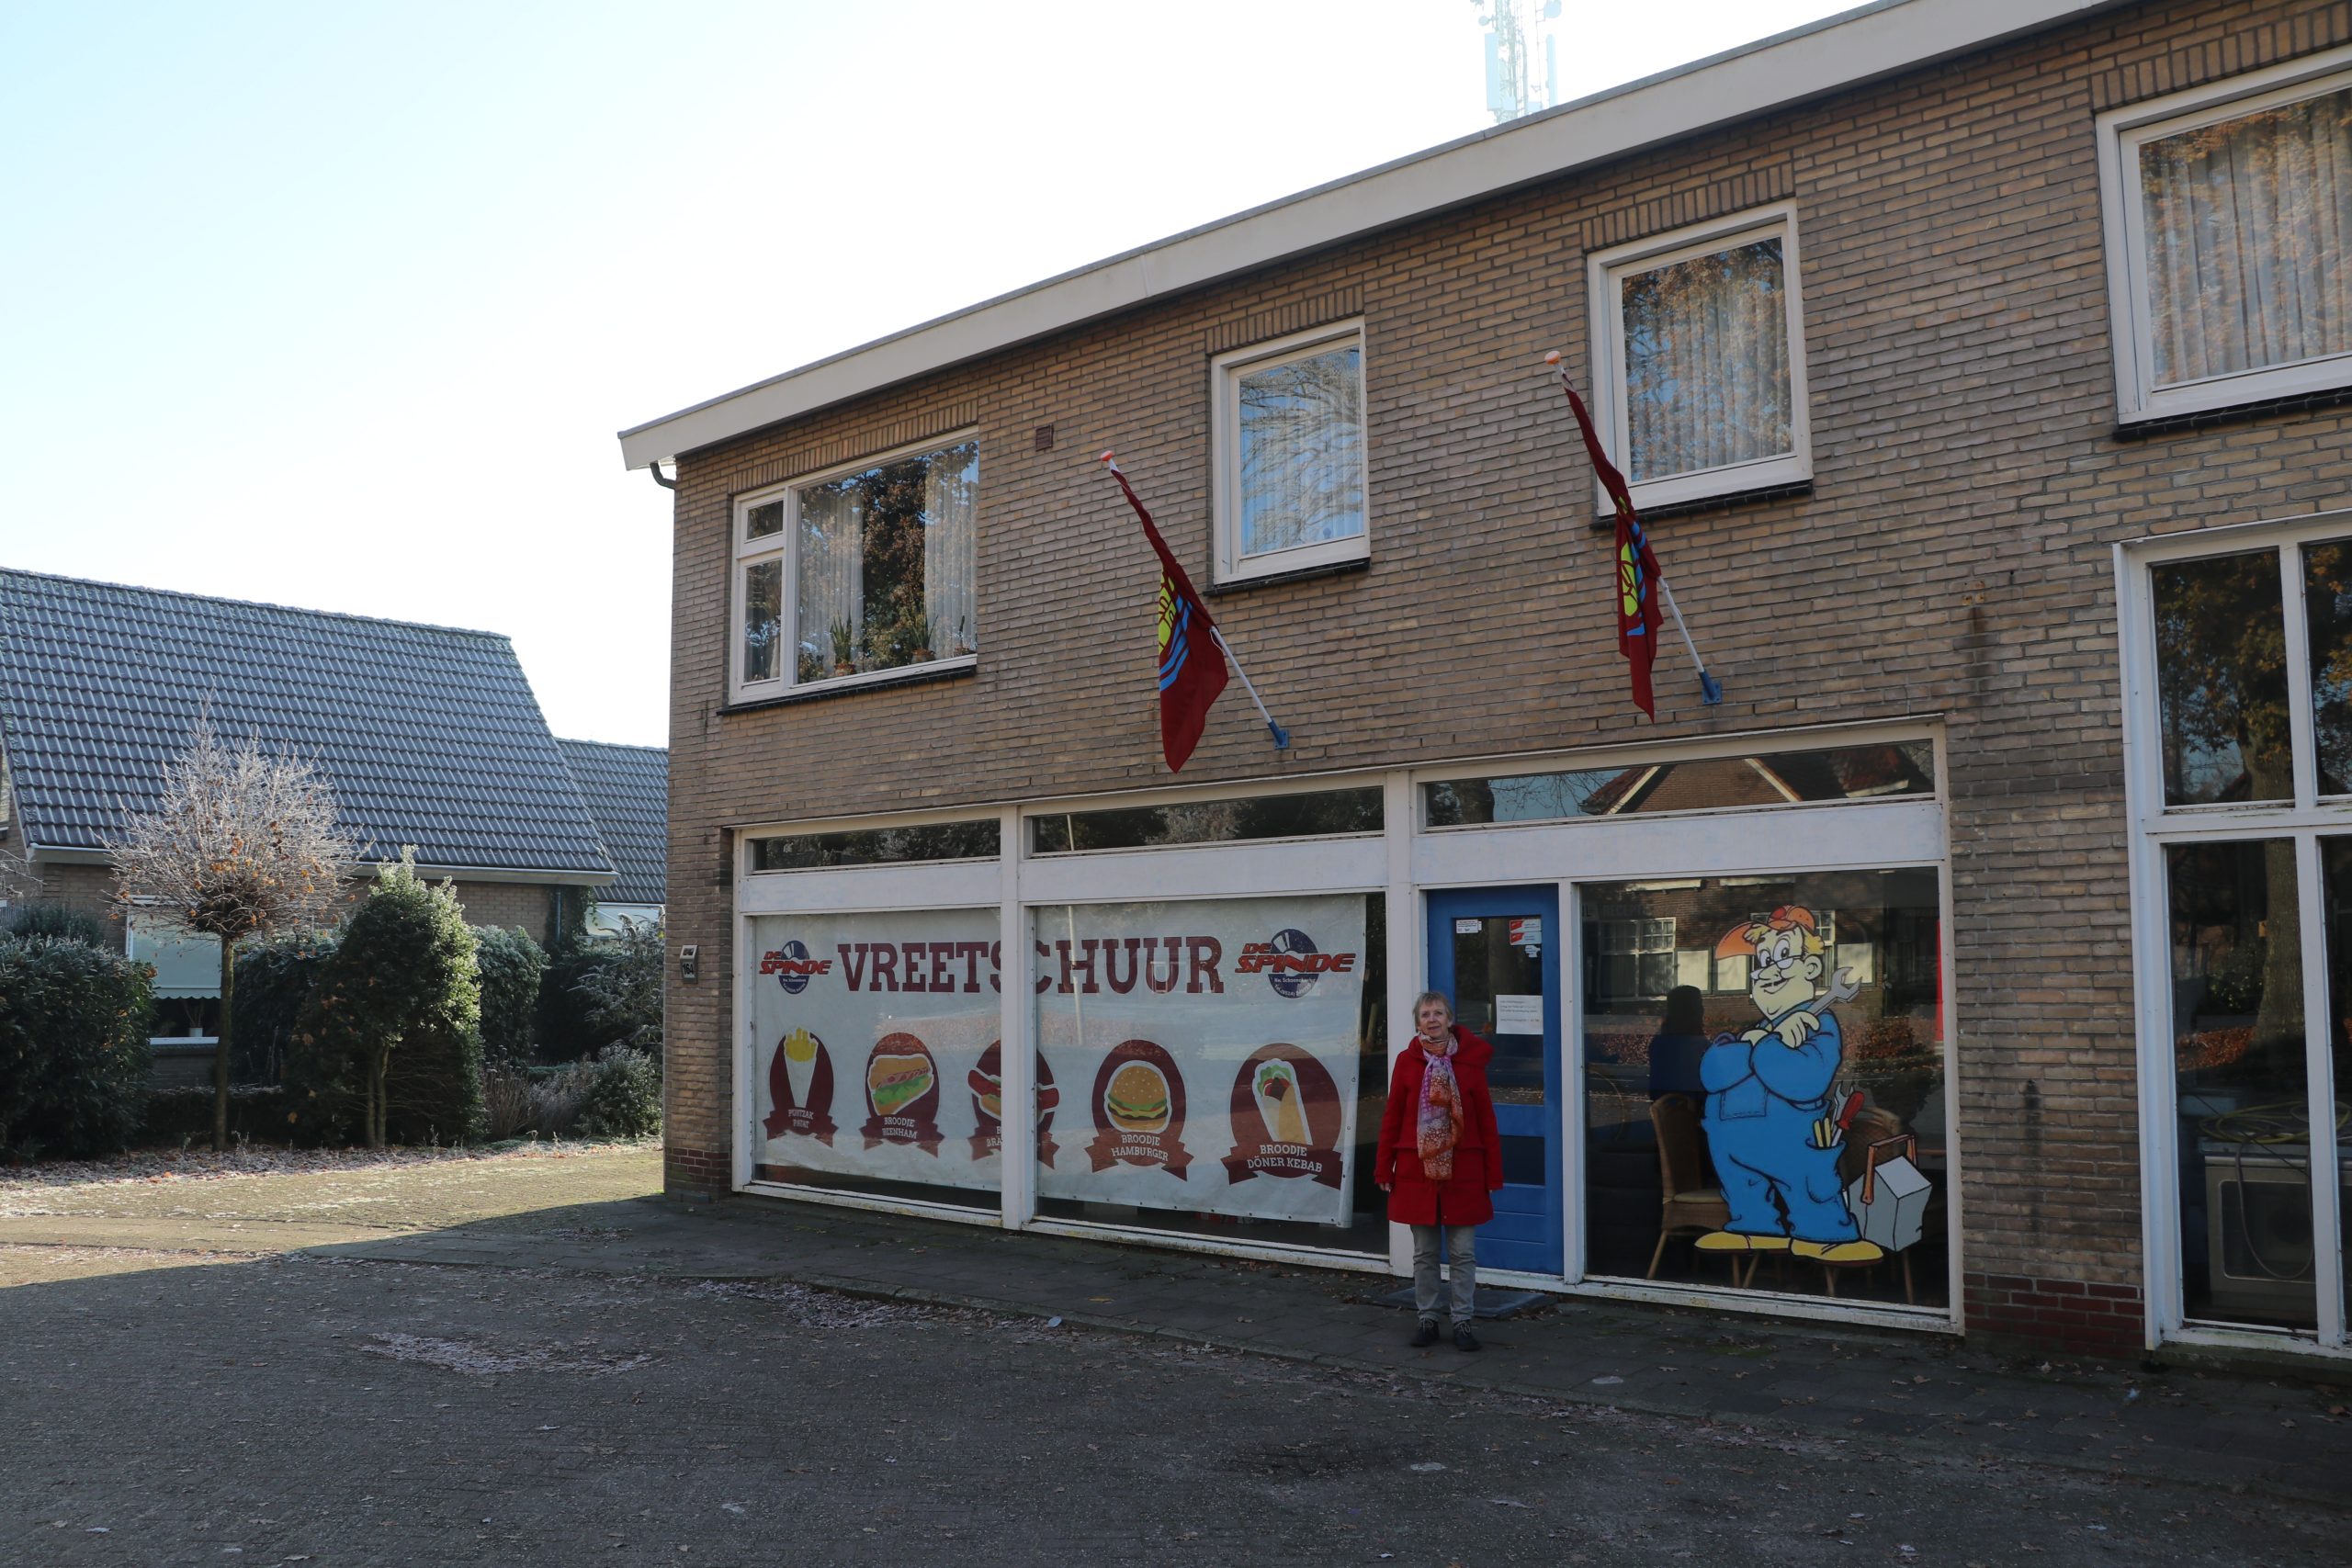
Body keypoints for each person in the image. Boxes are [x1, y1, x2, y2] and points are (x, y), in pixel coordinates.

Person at [1375, 989, 1504, 1351]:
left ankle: (1463, 1322)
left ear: (1450, 1019)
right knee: (1425, 1253)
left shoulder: (1470, 1063)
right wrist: (1384, 1166)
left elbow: (1486, 1121)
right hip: (1417, 1170)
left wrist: (1493, 1175)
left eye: (1438, 1013)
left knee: (1463, 1252)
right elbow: (1392, 1116)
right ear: (1417, 1022)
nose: (1432, 1019)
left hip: (1464, 1169)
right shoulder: (1406, 1062)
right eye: (1425, 1014)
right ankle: (1428, 1319)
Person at [1646, 984, 1709, 1100]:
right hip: (1688, 1108)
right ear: (1692, 1010)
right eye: (1699, 1004)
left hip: (1666, 1107)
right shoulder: (1692, 1043)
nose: (1702, 1009)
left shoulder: (1661, 1040)